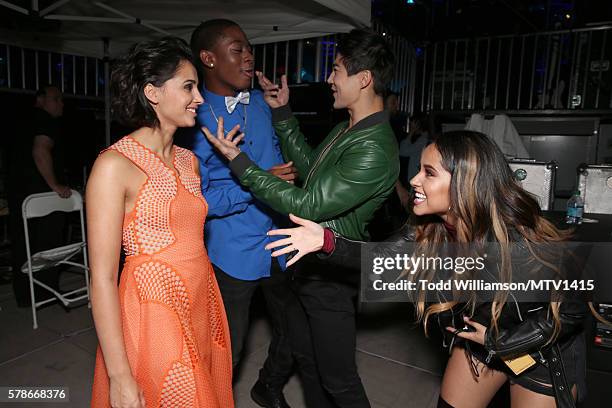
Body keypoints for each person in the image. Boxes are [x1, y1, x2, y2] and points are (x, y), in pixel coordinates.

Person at [264, 130, 589, 408]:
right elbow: (382, 261)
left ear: (465, 183)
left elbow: (571, 312)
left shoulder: (517, 243)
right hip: (479, 336)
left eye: (429, 173)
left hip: (540, 353)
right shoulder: (429, 227)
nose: (414, 180)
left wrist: (500, 341)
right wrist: (326, 240)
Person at [204, 28, 398, 408]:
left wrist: (241, 162)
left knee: (340, 381)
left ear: (363, 79)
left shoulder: (374, 148)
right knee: (309, 366)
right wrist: (282, 113)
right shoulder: (349, 129)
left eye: (337, 70)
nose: (329, 79)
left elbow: (309, 204)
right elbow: (308, 168)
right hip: (305, 265)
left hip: (330, 275)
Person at [189, 19, 330, 408]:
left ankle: (267, 386)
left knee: (297, 334)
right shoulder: (192, 118)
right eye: (238, 49)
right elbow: (197, 200)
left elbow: (280, 159)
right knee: (227, 351)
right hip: (232, 251)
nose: (249, 56)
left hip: (281, 241)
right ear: (209, 58)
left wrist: (287, 169)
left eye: (250, 48)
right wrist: (255, 181)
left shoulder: (261, 105)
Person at [88, 37, 233, 408]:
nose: (200, 98)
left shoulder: (190, 161)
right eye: (189, 86)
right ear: (152, 92)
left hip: (202, 299)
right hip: (153, 310)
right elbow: (102, 278)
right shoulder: (113, 166)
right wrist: (119, 376)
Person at [8, 84, 71, 307]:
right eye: (56, 99)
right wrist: (55, 185)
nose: (61, 104)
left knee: (24, 245)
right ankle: (47, 292)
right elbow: (40, 150)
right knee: (48, 246)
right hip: (41, 196)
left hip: (20, 193)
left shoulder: (21, 121)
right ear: (40, 99)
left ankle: (27, 296)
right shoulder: (44, 120)